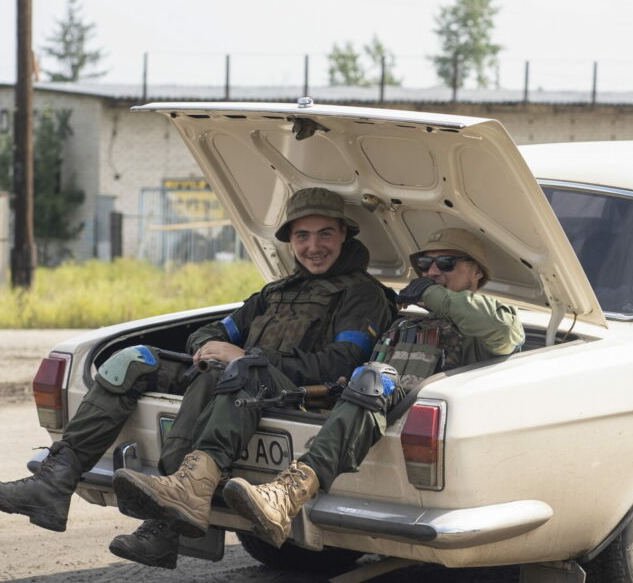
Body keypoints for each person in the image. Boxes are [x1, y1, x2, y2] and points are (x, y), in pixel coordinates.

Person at [0, 187, 395, 569]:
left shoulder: (362, 294)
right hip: (238, 377)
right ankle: (54, 481)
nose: (313, 246)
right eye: (302, 236)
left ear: (343, 234)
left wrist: (245, 355)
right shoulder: (275, 291)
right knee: (133, 359)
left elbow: (342, 363)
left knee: (236, 370)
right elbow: (215, 330)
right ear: (290, 240)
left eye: (324, 234)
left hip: (290, 391)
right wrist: (211, 347)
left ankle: (167, 524)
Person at [218, 227, 525, 549]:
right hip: (371, 414)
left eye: (447, 264)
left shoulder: (494, 317)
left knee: (374, 378)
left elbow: (501, 330)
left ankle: (288, 492)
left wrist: (431, 293)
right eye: (424, 266)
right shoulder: (406, 323)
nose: (433, 272)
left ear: (477, 272)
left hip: (420, 418)